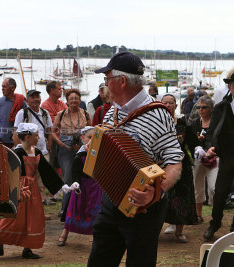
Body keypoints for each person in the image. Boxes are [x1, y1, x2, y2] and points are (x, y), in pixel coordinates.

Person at [87, 52, 183, 267]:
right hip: (111, 202)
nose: (105, 86)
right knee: (99, 260)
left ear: (121, 82)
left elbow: (174, 162)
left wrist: (156, 192)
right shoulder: (113, 111)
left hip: (144, 208)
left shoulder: (158, 114)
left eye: (107, 79)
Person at [0, 123, 63, 259]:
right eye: (36, 135)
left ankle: (27, 248)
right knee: (13, 216)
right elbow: (7, 171)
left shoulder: (37, 152)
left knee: (33, 217)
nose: (38, 137)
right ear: (28, 137)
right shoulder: (16, 152)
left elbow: (47, 172)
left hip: (32, 188)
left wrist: (60, 186)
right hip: (18, 187)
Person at [161, 94, 198, 243]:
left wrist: (200, 150)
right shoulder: (157, 123)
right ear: (160, 105)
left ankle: (179, 232)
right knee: (159, 197)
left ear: (176, 106)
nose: (168, 105)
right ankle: (154, 229)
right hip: (161, 166)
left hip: (182, 166)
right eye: (165, 103)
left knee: (182, 198)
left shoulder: (183, 123)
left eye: (171, 103)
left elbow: (192, 143)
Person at [58, 126, 102, 246]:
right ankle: (64, 233)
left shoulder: (100, 155)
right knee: (74, 209)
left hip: (95, 188)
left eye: (95, 138)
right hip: (81, 187)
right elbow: (75, 173)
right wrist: (76, 185)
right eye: (89, 137)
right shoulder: (80, 156)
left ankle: (95, 237)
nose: (91, 140)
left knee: (95, 211)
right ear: (83, 138)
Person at [203, 72, 234, 241]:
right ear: (230, 87)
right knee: (220, 192)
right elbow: (210, 132)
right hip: (227, 154)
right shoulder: (221, 107)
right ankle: (214, 224)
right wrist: (210, 147)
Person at [53, 89, 91, 220]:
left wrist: (86, 145)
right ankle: (65, 209)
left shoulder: (85, 114)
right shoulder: (61, 113)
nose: (74, 101)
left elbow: (90, 132)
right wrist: (61, 144)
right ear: (67, 101)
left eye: (76, 98)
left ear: (80, 100)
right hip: (66, 149)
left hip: (81, 149)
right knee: (68, 178)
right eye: (71, 98)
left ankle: (80, 207)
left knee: (83, 178)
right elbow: (53, 132)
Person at [13, 89, 53, 205]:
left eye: (38, 96)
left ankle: (40, 205)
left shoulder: (45, 113)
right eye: (33, 97)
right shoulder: (22, 113)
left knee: (41, 181)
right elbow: (15, 133)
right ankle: (28, 206)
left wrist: (48, 149)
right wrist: (20, 151)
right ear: (28, 100)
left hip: (43, 152)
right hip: (27, 154)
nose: (36, 99)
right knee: (27, 180)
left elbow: (49, 132)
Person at [190, 95, 218, 224]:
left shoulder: (217, 122)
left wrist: (213, 149)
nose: (201, 109)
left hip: (215, 157)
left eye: (204, 107)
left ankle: (215, 215)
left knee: (213, 187)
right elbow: (190, 142)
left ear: (211, 108)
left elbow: (221, 139)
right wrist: (197, 142)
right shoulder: (195, 122)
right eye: (198, 107)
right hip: (199, 158)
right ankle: (198, 215)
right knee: (197, 187)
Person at [0, 78, 26, 148]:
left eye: (4, 87)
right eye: (2, 86)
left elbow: (27, 120)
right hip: (0, 141)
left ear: (12, 88)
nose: (2, 89)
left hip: (16, 141)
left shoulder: (21, 102)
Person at [41, 81, 67, 173]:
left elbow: (67, 119)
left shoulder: (62, 103)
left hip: (63, 138)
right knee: (54, 165)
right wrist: (60, 119)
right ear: (52, 90)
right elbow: (51, 124)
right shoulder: (45, 105)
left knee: (63, 164)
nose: (61, 90)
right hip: (53, 139)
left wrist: (58, 119)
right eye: (59, 89)